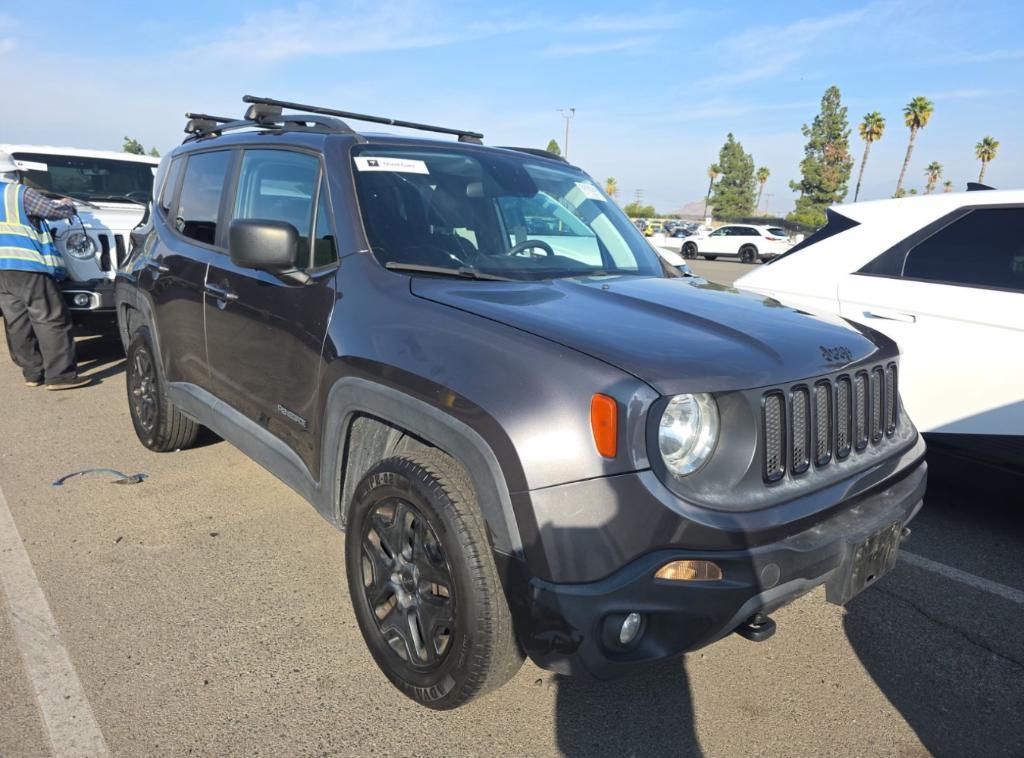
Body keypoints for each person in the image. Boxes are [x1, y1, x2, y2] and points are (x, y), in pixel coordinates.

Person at [0, 150, 90, 389]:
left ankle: (32, 372)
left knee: (16, 321)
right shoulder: (18, 193)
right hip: (25, 266)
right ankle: (60, 376)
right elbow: (53, 211)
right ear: (12, 172)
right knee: (49, 318)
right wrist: (67, 206)